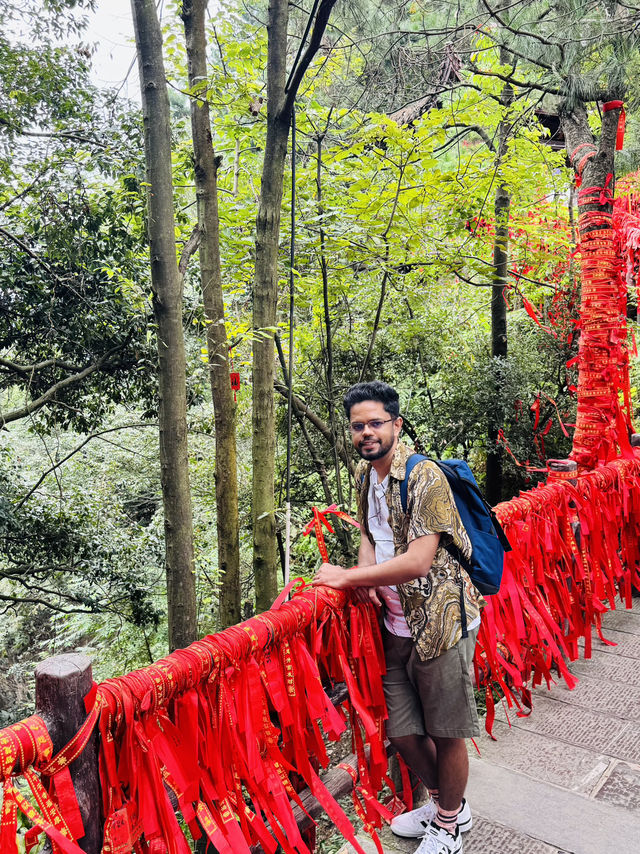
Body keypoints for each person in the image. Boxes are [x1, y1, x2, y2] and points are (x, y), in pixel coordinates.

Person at [312, 380, 484, 854]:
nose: (366, 433)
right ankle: (450, 805)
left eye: (375, 423)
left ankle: (447, 824)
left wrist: (347, 577)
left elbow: (418, 562)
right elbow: (370, 534)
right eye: (357, 426)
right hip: (395, 623)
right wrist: (365, 574)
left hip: (442, 622)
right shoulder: (366, 476)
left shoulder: (424, 477)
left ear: (397, 425)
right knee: (403, 731)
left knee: (446, 731)